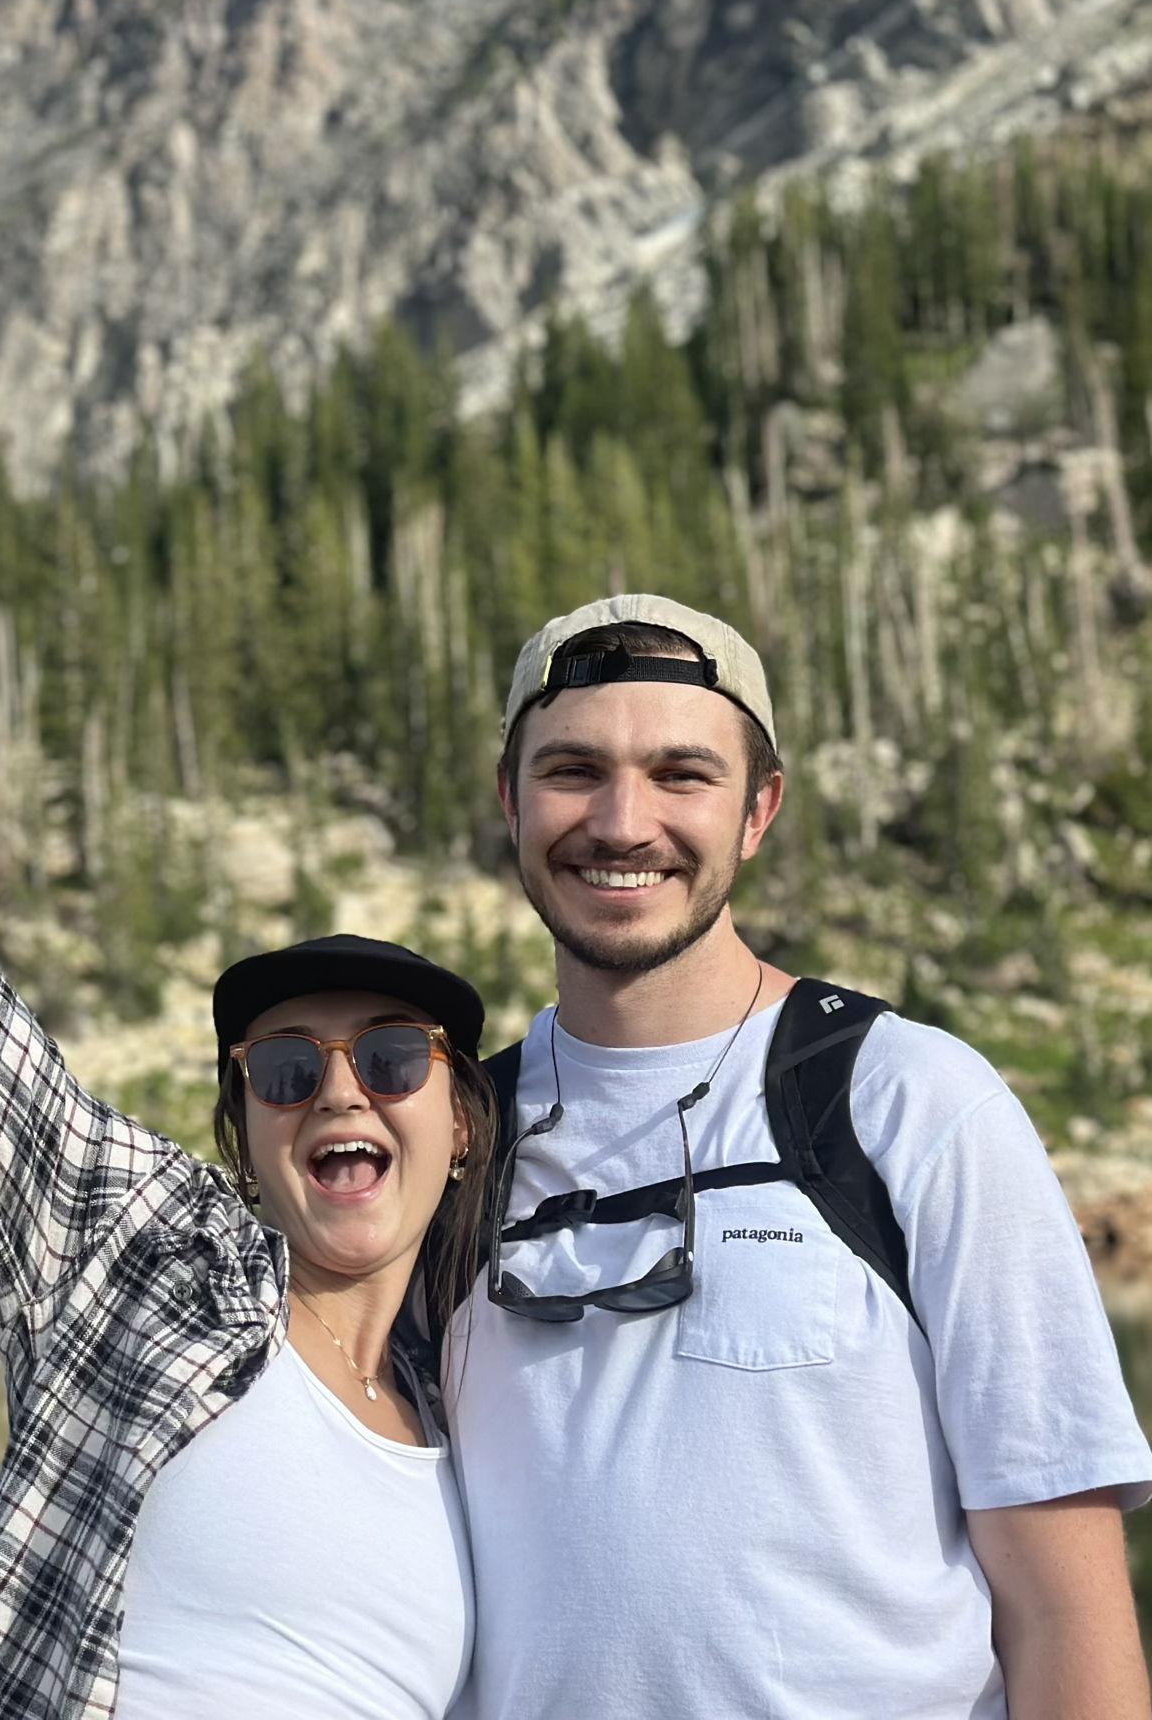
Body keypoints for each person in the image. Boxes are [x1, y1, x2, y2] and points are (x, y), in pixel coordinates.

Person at [0, 435, 494, 1720]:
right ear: (242, 1130)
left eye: (390, 1056)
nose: (340, 1091)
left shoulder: (491, 1400)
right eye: (286, 1068)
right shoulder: (137, 1250)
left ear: (462, 1123)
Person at [455, 591, 1152, 1720]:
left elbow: (1065, 1609)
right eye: (572, 770)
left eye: (682, 774)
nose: (622, 822)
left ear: (758, 809)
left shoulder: (907, 1100)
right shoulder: (452, 1143)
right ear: (509, 799)